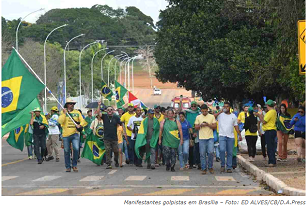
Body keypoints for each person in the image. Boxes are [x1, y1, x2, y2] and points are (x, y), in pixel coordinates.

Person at [58, 99, 87, 172]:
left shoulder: (77, 112)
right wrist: (64, 113)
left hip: (75, 134)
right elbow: (60, 121)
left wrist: (80, 125)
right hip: (66, 135)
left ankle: (74, 165)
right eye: (71, 104)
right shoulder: (63, 112)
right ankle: (68, 166)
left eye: (73, 104)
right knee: (67, 151)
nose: (72, 105)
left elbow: (83, 121)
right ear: (67, 105)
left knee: (76, 149)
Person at [214, 102, 242, 173]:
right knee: (222, 150)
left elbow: (236, 126)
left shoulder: (233, 116)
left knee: (230, 152)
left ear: (230, 107)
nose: (225, 107)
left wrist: (239, 134)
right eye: (224, 106)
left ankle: (229, 167)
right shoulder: (220, 115)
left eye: (227, 106)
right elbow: (213, 116)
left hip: (231, 136)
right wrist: (220, 111)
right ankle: (222, 165)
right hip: (222, 135)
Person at [97, 102, 122, 169]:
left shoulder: (116, 117)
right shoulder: (104, 116)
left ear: (113, 111)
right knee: (107, 150)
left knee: (116, 151)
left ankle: (116, 160)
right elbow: (98, 113)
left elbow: (121, 123)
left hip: (114, 138)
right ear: (106, 111)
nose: (109, 111)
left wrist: (124, 132)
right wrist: (99, 105)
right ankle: (109, 164)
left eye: (111, 110)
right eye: (108, 110)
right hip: (106, 138)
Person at [195, 104, 217, 174]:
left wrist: (208, 124)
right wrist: (200, 125)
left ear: (207, 110)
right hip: (201, 138)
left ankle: (210, 167)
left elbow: (215, 126)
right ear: (201, 111)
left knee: (210, 152)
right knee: (202, 154)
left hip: (210, 137)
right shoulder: (198, 117)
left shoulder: (212, 116)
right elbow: (196, 127)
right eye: (203, 111)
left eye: (205, 111)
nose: (204, 113)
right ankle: (204, 168)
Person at [179, 101, 201, 169]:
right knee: (190, 149)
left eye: (195, 106)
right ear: (190, 106)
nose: (193, 107)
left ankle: (198, 163)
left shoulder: (199, 113)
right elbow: (180, 111)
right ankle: (191, 163)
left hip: (197, 132)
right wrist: (180, 101)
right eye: (192, 106)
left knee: (197, 148)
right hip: (189, 132)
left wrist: (196, 131)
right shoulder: (187, 112)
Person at [256, 100, 278, 167]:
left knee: (270, 147)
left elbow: (264, 121)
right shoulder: (273, 112)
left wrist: (259, 115)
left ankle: (272, 161)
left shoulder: (271, 112)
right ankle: (271, 161)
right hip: (271, 130)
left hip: (269, 130)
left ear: (268, 106)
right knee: (270, 146)